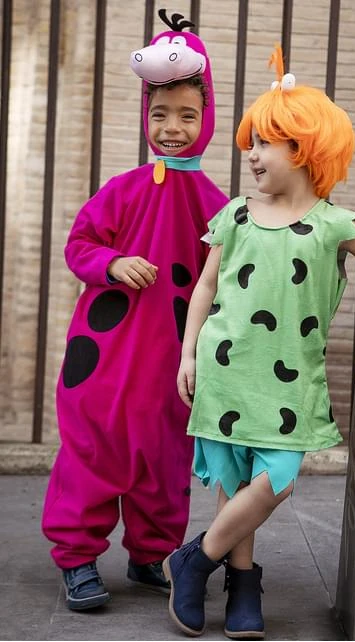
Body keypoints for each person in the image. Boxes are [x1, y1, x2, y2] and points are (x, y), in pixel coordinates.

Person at [163, 45, 355, 639]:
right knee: (235, 481)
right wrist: (188, 353)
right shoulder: (236, 216)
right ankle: (242, 583)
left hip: (289, 382)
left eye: (264, 143)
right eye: (250, 143)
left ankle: (194, 561)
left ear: (304, 149)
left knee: (276, 479)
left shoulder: (335, 224)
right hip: (228, 369)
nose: (251, 154)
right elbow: (205, 288)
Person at [41, 11, 228, 612]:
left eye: (187, 115)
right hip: (103, 363)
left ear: (208, 119)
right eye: (160, 114)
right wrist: (113, 263)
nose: (172, 128)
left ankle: (152, 553)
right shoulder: (122, 190)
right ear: (145, 116)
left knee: (164, 460)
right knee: (93, 455)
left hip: (171, 366)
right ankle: (76, 558)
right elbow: (79, 245)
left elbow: (228, 280)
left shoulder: (218, 207)